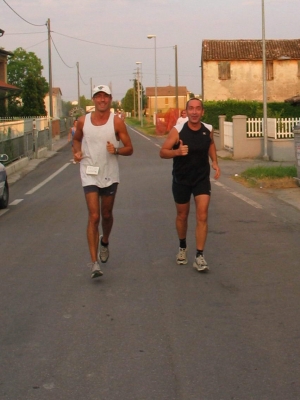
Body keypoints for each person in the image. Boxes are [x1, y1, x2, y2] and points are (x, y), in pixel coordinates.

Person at [73, 85, 133, 278]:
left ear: (110, 99)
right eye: (98, 97)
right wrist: (77, 152)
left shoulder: (116, 123)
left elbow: (129, 148)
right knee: (94, 216)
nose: (102, 100)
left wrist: (115, 150)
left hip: (109, 173)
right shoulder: (83, 121)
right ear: (93, 100)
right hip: (89, 171)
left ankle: (105, 241)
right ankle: (94, 263)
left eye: (105, 96)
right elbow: (76, 139)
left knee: (106, 214)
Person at [159, 98, 220, 272]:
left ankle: (199, 256)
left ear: (202, 112)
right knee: (182, 215)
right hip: (182, 179)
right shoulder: (178, 130)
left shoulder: (208, 129)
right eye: (191, 109)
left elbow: (211, 145)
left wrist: (214, 161)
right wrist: (177, 152)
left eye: (198, 109)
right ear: (186, 111)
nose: (194, 112)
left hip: (201, 179)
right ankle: (182, 247)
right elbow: (162, 152)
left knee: (202, 215)